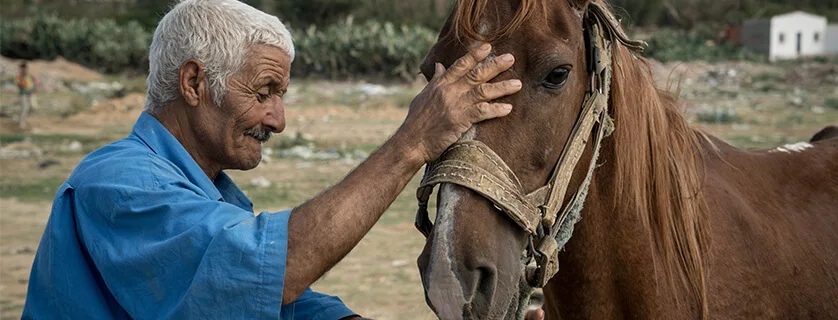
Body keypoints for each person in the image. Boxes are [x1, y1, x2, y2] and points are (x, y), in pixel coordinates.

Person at [22, 1, 543, 319]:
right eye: (264, 91)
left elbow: (290, 311)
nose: (278, 120)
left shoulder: (205, 191)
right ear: (194, 83)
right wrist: (413, 142)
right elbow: (275, 271)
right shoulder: (115, 185)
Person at [15, 61, 38, 129]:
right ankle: (21, 123)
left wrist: (34, 89)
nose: (25, 70)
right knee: (24, 108)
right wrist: (23, 79)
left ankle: (24, 118)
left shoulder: (30, 76)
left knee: (33, 107)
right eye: (23, 68)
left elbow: (35, 82)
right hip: (23, 94)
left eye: (26, 68)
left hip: (31, 94)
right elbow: (21, 85)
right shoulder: (19, 77)